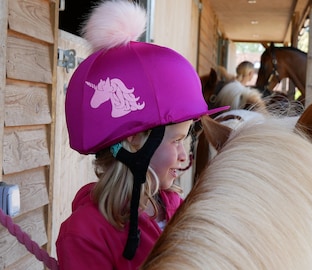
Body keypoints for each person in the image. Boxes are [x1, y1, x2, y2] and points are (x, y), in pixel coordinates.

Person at [56, 1, 229, 269]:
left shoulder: (176, 209)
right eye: (176, 140)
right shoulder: (86, 235)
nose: (184, 155)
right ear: (133, 140)